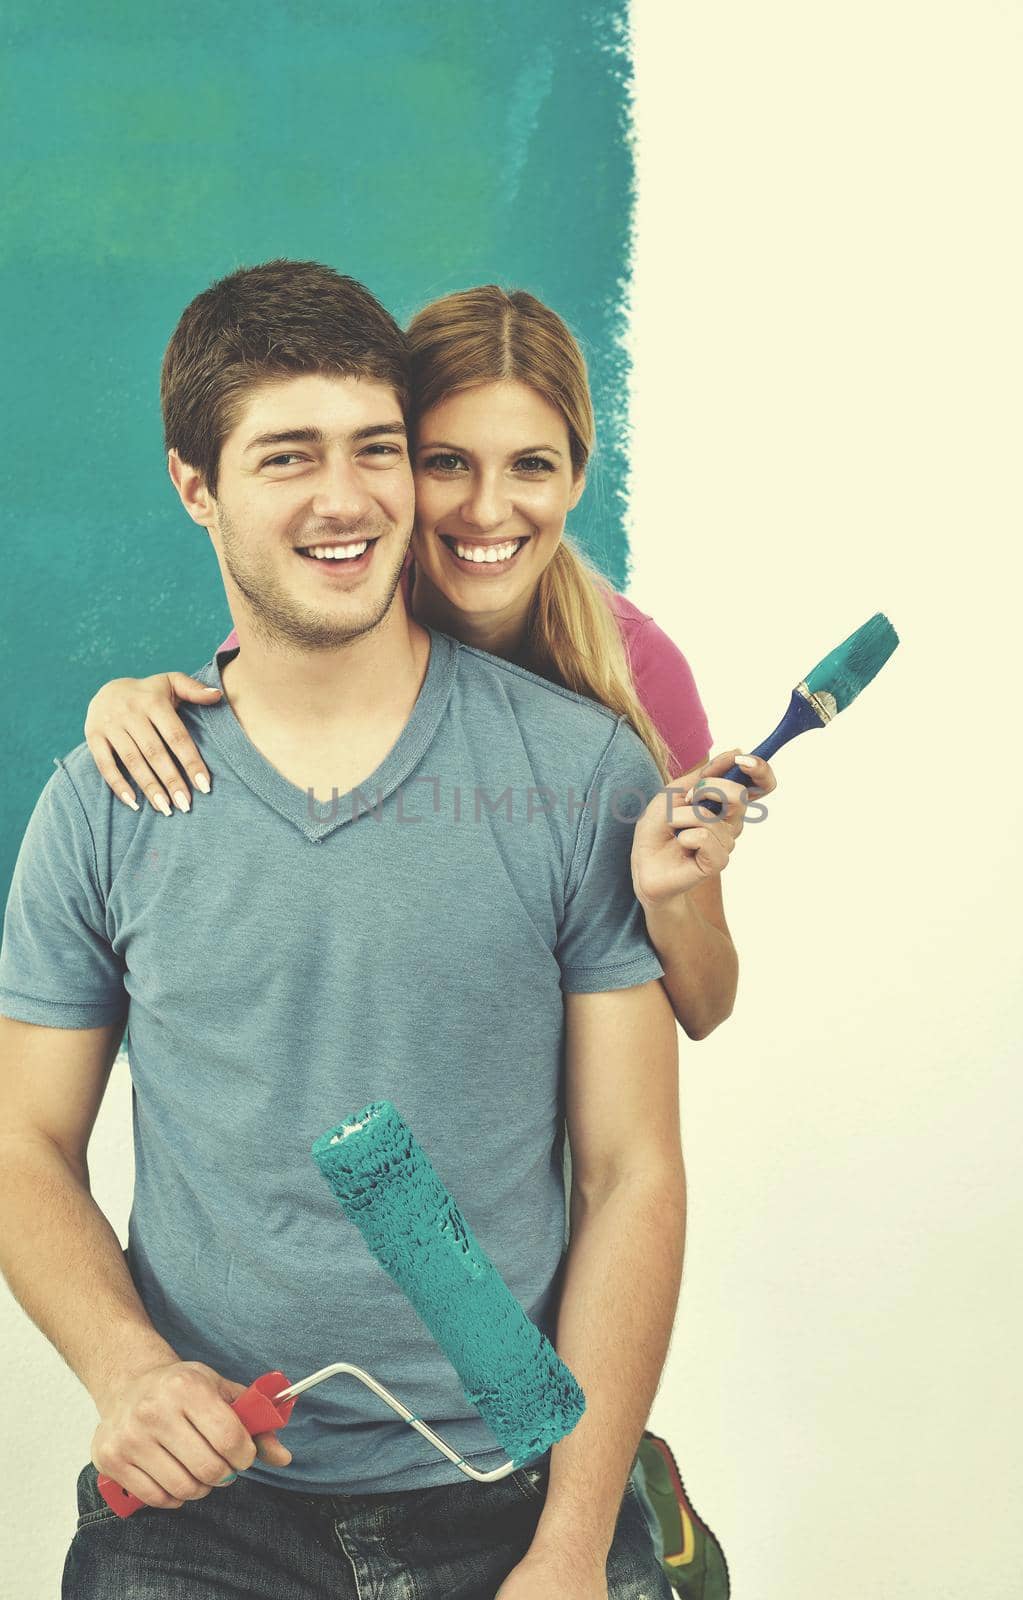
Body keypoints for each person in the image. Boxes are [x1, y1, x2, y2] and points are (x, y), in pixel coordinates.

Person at [0, 258, 705, 1600]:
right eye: (287, 457)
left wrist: (569, 1543)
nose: (346, 498)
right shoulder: (107, 804)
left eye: (377, 448)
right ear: (195, 487)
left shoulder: (582, 776)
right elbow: (21, 1141)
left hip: (515, 1493)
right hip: (207, 1509)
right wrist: (130, 1371)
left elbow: (634, 1174)